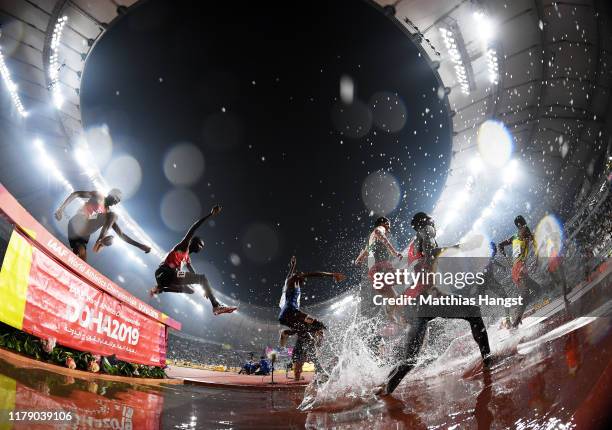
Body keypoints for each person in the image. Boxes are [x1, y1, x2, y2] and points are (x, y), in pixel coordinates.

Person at [374, 212, 492, 396]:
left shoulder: (413, 245)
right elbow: (432, 256)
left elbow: (426, 262)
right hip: (431, 297)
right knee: (474, 313)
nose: (433, 225)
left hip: (417, 304)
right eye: (431, 222)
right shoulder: (426, 232)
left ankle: (384, 389)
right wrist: (464, 247)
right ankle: (488, 360)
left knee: (410, 359)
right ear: (426, 222)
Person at [149, 205, 237, 316]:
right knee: (201, 278)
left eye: (202, 246)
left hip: (167, 278)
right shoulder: (183, 246)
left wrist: (205, 288)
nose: (201, 248)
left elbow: (193, 274)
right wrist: (210, 215)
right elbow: (194, 228)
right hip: (164, 272)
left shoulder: (187, 258)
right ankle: (216, 305)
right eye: (200, 245)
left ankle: (160, 289)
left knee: (191, 290)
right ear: (193, 243)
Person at [278, 255, 345, 380]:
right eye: (302, 277)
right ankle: (317, 337)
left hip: (288, 315)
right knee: (319, 325)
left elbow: (290, 274)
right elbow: (314, 274)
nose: (304, 280)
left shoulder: (292, 282)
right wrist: (332, 275)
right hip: (291, 313)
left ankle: (288, 333)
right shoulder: (294, 280)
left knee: (305, 334)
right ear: (299, 276)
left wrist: (292, 265)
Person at [54, 189, 151, 261]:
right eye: (115, 198)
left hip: (84, 234)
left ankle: (73, 271)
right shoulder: (98, 196)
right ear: (110, 194)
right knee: (113, 215)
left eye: (117, 201)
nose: (115, 202)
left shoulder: (108, 214)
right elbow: (76, 194)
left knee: (82, 256)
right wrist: (61, 209)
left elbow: (121, 235)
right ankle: (100, 240)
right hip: (78, 221)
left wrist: (140, 246)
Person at [354, 216, 403, 322]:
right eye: (388, 224)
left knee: (394, 298)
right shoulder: (380, 229)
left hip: (373, 272)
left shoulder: (371, 241)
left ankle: (390, 315)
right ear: (383, 223)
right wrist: (394, 252)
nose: (389, 228)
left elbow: (365, 252)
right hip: (381, 267)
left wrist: (359, 259)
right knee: (405, 275)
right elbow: (378, 231)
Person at [497, 215, 542, 327]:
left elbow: (500, 245)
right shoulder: (525, 232)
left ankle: (518, 310)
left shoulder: (514, 236)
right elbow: (534, 241)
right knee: (525, 292)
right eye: (522, 226)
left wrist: (506, 256)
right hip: (519, 266)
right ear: (522, 224)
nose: (524, 228)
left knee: (537, 289)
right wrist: (536, 260)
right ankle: (516, 321)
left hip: (517, 267)